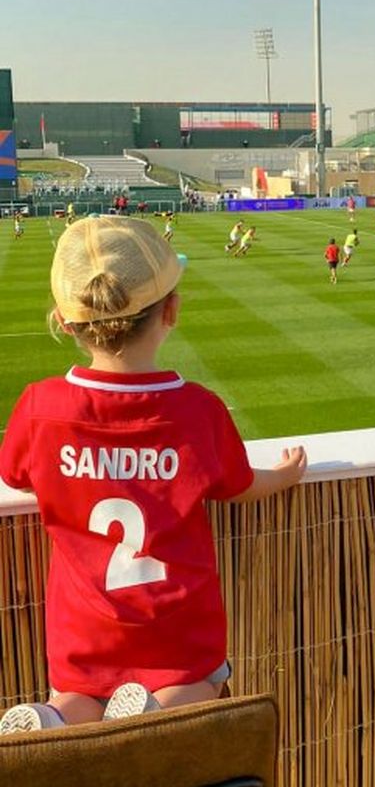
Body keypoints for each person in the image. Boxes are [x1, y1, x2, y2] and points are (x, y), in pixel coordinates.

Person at [0, 216, 307, 734]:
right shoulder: (196, 410)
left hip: (83, 628)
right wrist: (286, 474)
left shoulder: (40, 407)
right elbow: (240, 485)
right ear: (172, 310)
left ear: (65, 321)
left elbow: (16, 474)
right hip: (176, 626)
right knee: (199, 684)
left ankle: (50, 720)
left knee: (79, 699)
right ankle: (158, 710)